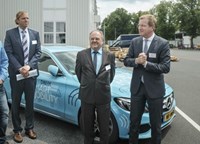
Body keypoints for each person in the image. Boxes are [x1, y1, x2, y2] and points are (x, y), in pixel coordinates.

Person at [124, 14, 170, 144]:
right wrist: (137, 61)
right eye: (139, 25)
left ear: (152, 27)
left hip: (155, 90)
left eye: (143, 25)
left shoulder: (162, 43)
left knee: (155, 125)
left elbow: (165, 67)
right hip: (137, 88)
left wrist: (146, 64)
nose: (139, 28)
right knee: (134, 123)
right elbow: (127, 61)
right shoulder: (135, 42)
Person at [4, 11, 41, 143]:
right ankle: (17, 130)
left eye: (27, 18)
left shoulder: (35, 34)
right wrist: (20, 68)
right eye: (23, 18)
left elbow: (38, 53)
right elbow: (8, 53)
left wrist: (28, 66)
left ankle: (29, 128)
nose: (26, 20)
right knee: (15, 103)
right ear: (17, 20)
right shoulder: (10, 34)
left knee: (30, 102)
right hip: (16, 74)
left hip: (30, 74)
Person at [75, 30, 115, 144]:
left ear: (102, 41)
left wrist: (102, 85)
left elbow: (111, 75)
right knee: (87, 126)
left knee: (104, 127)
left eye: (97, 39)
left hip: (103, 95)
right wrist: (88, 84)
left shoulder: (110, 56)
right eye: (92, 38)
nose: (94, 41)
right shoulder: (81, 54)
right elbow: (79, 73)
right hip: (86, 95)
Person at [0, 42, 9, 144]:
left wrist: (2, 78)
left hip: (0, 87)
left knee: (4, 113)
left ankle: (1, 140)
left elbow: (4, 61)